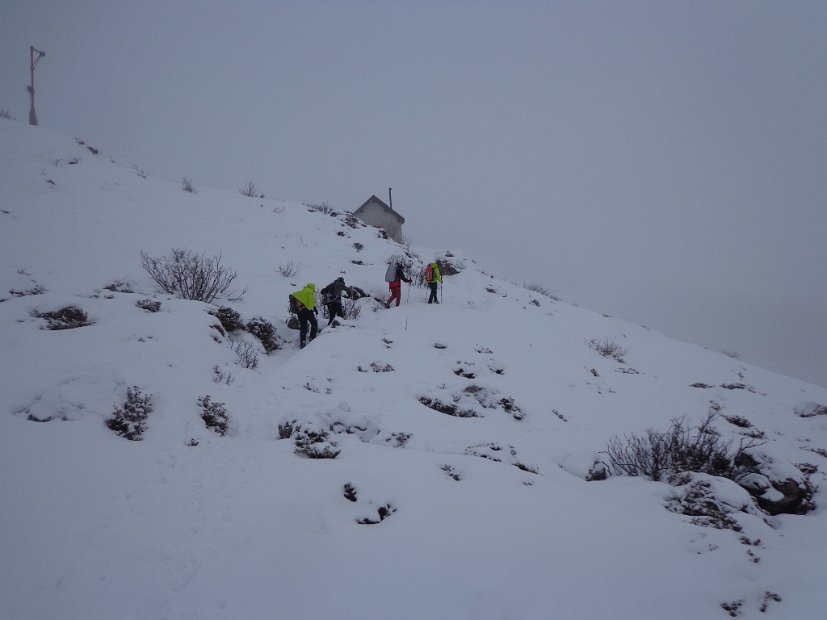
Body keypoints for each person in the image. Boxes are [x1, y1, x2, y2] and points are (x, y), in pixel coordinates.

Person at [289, 283, 318, 348]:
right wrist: (314, 309)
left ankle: (302, 343)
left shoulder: (303, 291)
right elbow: (311, 303)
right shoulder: (310, 291)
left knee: (303, 327)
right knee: (314, 323)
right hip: (306, 310)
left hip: (299, 312)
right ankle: (312, 339)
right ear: (313, 288)